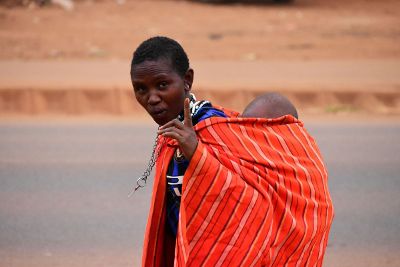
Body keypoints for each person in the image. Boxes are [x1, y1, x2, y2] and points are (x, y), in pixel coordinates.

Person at [130, 36, 334, 267]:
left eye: (162, 85)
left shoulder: (214, 128)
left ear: (187, 80)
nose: (152, 98)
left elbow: (252, 201)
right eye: (141, 89)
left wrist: (197, 154)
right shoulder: (171, 134)